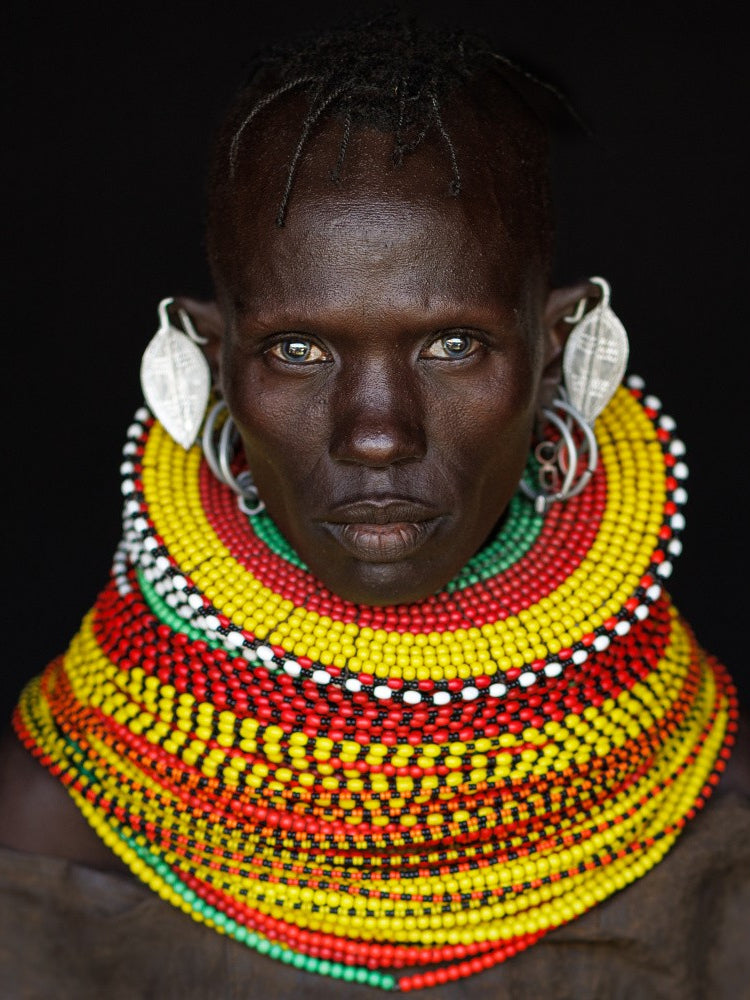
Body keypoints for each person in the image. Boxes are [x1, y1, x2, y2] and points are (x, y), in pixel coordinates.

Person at [1, 15, 748, 999]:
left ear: (558, 349)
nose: (378, 433)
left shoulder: (715, 829)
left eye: (452, 346)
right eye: (297, 350)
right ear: (211, 359)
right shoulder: (59, 828)